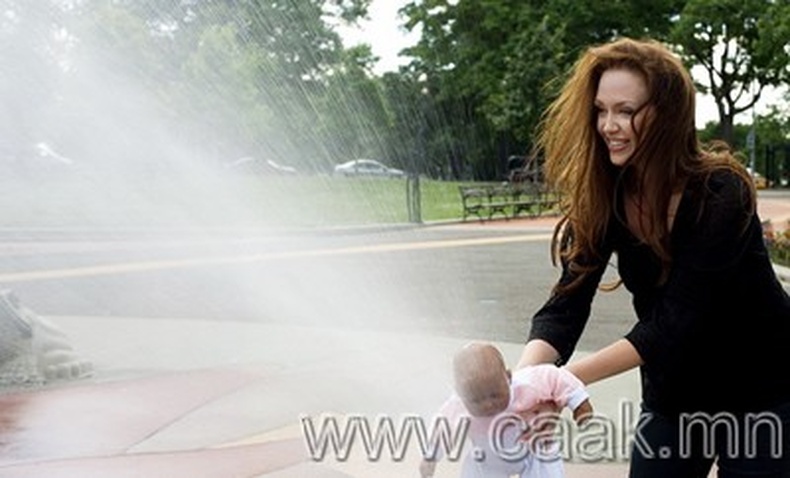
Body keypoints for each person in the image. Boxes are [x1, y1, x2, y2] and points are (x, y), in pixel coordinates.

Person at [516, 37, 790, 477]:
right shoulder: (608, 195)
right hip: (674, 395)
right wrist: (524, 382)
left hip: (764, 392)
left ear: (666, 115)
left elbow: (676, 322)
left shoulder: (723, 192)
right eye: (601, 110)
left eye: (625, 111)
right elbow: (566, 304)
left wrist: (563, 381)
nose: (608, 125)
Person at [420, 341, 592, 478]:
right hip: (486, 459)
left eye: (494, 395)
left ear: (508, 377)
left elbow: (556, 377)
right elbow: (442, 429)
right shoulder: (458, 406)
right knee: (476, 465)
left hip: (533, 450)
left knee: (545, 461)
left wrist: (579, 404)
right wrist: (431, 456)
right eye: (476, 400)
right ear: (460, 393)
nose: (488, 404)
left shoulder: (526, 383)